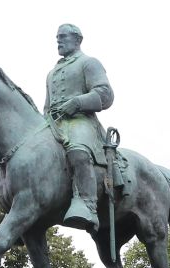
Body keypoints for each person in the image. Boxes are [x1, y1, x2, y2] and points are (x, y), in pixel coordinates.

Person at [45, 23, 113, 233]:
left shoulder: (89, 63)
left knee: (78, 150)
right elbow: (47, 105)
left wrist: (78, 103)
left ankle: (87, 204)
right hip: (54, 122)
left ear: (78, 40)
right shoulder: (52, 73)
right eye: (57, 37)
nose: (59, 40)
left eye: (63, 37)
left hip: (81, 121)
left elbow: (105, 94)